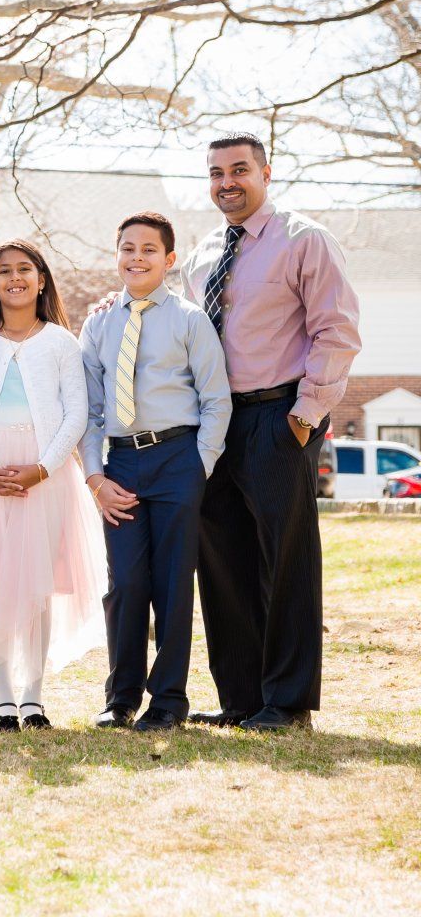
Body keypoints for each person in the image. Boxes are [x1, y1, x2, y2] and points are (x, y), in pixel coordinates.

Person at [182, 134, 360, 732]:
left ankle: (287, 702)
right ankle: (240, 697)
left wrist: (305, 415)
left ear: (266, 172)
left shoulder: (305, 239)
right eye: (216, 173)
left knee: (285, 557)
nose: (227, 182)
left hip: (279, 415)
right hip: (214, 421)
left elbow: (337, 331)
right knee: (221, 555)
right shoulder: (203, 252)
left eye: (239, 170)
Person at [0, 240, 107, 732]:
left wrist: (44, 467)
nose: (15, 278)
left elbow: (76, 413)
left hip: (43, 474)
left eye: (25, 269)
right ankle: (3, 699)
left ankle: (33, 697)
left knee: (38, 585)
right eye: (5, 271)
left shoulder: (60, 342)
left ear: (41, 280)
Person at [81, 212, 230, 732]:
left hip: (177, 458)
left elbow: (216, 399)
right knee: (125, 582)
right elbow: (89, 410)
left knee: (172, 582)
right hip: (121, 462)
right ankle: (120, 697)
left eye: (149, 250)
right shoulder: (99, 323)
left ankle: (168, 700)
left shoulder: (190, 319)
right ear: (116, 255)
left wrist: (198, 466)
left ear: (169, 260)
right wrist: (95, 478)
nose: (137, 257)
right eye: (128, 248)